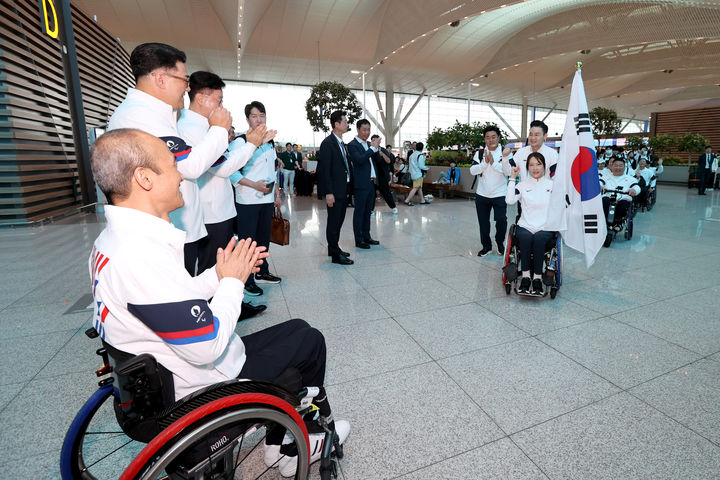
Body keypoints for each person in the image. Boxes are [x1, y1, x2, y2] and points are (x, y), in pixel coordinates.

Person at [89, 129, 349, 476]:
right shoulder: (138, 257)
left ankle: (287, 436)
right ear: (144, 178)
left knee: (299, 329)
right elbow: (208, 346)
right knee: (310, 342)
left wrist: (216, 274)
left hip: (164, 378)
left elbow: (171, 301)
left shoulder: (114, 242)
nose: (182, 172)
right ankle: (290, 447)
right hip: (192, 392)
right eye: (172, 165)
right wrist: (232, 283)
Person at [107, 42, 230, 276]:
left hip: (174, 226)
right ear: (161, 79)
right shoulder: (141, 116)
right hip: (154, 232)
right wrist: (219, 130)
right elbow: (190, 166)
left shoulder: (156, 114)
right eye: (184, 80)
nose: (187, 88)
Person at [177, 71, 274, 320]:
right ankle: (215, 312)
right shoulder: (192, 129)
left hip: (217, 208)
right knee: (213, 266)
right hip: (210, 211)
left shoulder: (205, 127)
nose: (222, 107)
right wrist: (252, 143)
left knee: (217, 263)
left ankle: (229, 307)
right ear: (201, 97)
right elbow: (223, 167)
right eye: (218, 100)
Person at [230, 101, 283, 298]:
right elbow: (232, 173)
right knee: (247, 242)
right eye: (254, 116)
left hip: (267, 200)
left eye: (262, 115)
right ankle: (247, 279)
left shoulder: (269, 142)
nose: (259, 119)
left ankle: (261, 271)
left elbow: (273, 169)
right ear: (247, 119)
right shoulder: (240, 142)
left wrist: (276, 193)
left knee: (263, 239)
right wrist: (254, 185)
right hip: (248, 201)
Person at [505, 152, 555, 295]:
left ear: (544, 166)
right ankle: (526, 277)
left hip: (545, 227)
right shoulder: (522, 185)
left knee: (539, 239)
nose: (535, 168)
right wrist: (512, 178)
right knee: (526, 238)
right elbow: (509, 200)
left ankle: (538, 278)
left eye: (538, 164)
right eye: (531, 165)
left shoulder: (552, 185)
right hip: (525, 225)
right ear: (527, 167)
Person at [316, 110, 353, 265]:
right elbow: (324, 170)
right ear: (336, 124)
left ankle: (334, 248)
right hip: (335, 191)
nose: (347, 124)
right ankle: (335, 255)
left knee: (338, 221)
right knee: (333, 222)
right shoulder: (328, 144)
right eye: (344, 121)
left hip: (343, 189)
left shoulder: (340, 143)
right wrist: (328, 192)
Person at [471, 125, 508, 256]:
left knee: (502, 220)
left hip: (500, 194)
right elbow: (472, 170)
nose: (491, 140)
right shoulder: (480, 153)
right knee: (483, 223)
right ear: (484, 139)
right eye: (487, 137)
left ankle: (500, 243)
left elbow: (507, 171)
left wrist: (493, 163)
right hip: (482, 194)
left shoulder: (505, 152)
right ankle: (486, 246)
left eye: (493, 137)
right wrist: (485, 163)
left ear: (498, 137)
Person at [347, 119, 381, 248]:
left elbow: (376, 161)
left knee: (368, 212)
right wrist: (372, 148)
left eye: (368, 130)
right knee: (360, 212)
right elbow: (360, 160)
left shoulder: (369, 144)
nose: (367, 133)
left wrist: (376, 149)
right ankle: (359, 239)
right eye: (364, 130)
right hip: (361, 184)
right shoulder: (352, 145)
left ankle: (367, 236)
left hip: (371, 183)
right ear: (358, 130)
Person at [600, 156, 639, 222]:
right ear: (611, 167)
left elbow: (636, 187)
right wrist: (600, 187)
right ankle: (605, 220)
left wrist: (634, 190)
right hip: (608, 198)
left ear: (624, 167)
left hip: (622, 199)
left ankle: (618, 221)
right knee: (604, 200)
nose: (618, 168)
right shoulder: (605, 177)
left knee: (623, 203)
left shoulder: (630, 178)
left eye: (620, 166)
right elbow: (599, 183)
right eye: (615, 165)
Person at [372, 140, 398, 214]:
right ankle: (371, 210)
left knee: (386, 192)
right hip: (373, 175)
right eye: (373, 140)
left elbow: (389, 161)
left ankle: (393, 207)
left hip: (382, 176)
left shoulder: (383, 150)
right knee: (372, 194)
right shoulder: (370, 150)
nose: (375, 142)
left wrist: (382, 154)